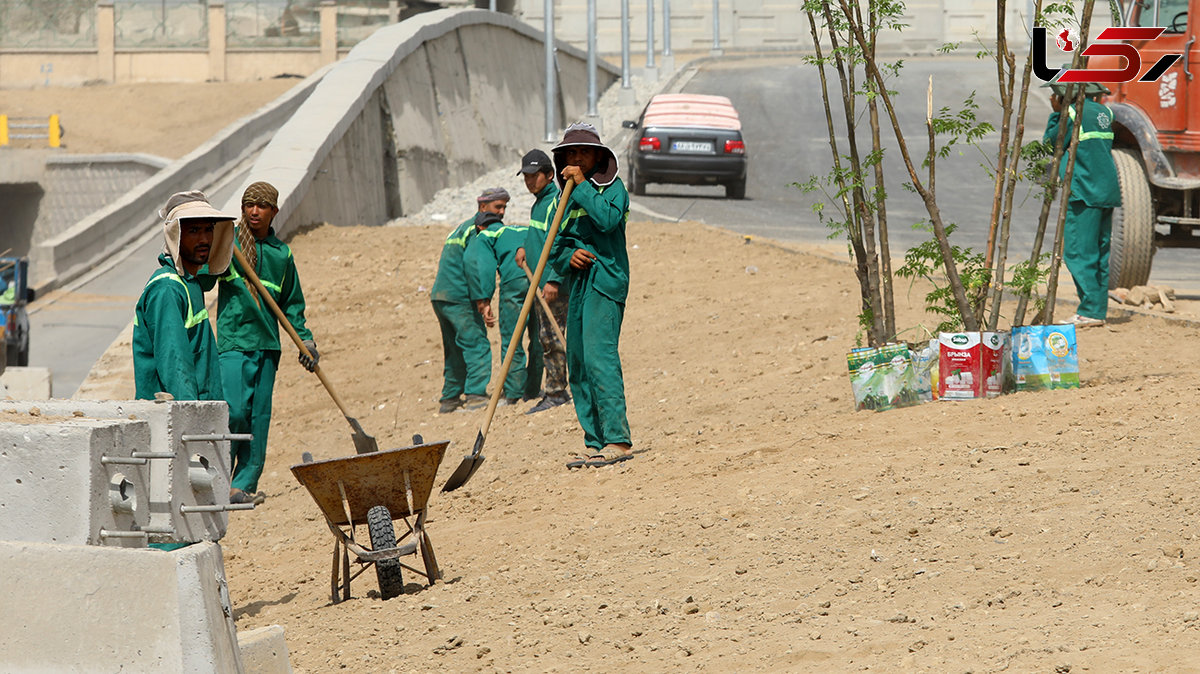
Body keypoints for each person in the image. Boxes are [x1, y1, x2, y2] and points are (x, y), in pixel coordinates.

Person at [217, 181, 318, 506]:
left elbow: (292, 304)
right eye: (249, 205)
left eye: (262, 206)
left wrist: (305, 340)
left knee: (259, 416)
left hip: (267, 346)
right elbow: (204, 271)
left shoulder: (281, 254)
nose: (254, 212)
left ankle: (242, 484)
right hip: (234, 341)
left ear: (274, 211)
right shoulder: (229, 244)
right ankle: (219, 479)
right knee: (233, 411)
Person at [546, 123, 634, 468]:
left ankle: (618, 440)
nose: (576, 158)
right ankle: (595, 441)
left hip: (606, 281)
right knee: (578, 363)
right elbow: (556, 244)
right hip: (579, 285)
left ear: (598, 155)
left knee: (600, 358)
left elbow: (607, 221)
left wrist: (581, 186)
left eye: (583, 152)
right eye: (570, 153)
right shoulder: (563, 197)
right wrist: (568, 256)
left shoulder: (612, 189)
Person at [133, 190, 235, 403]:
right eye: (194, 231)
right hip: (179, 419)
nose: (204, 239)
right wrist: (190, 419)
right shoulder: (167, 289)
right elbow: (175, 365)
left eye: (209, 230)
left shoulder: (190, 283)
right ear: (175, 235)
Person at [1042, 81, 1122, 328]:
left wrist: (1057, 114)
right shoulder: (1105, 113)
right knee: (1099, 252)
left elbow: (1051, 143)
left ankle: (1090, 311)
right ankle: (1097, 310)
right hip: (1106, 191)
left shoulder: (1071, 114)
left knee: (1078, 252)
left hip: (1084, 191)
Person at [430, 188, 508, 414]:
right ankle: (475, 396)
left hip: (441, 296)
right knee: (477, 345)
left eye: (504, 207)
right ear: (483, 207)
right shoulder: (477, 229)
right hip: (459, 297)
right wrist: (483, 301)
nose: (502, 212)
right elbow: (475, 265)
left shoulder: (459, 228)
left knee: (454, 348)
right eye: (497, 207)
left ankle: (450, 399)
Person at [465, 192, 543, 406]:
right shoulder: (521, 229)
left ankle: (514, 392)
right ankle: (534, 389)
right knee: (539, 338)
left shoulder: (486, 235)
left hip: (515, 281)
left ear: (480, 226)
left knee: (512, 339)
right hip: (541, 277)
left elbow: (485, 268)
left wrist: (484, 300)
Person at [514, 149, 570, 414]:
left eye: (534, 176)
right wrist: (525, 247)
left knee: (552, 339)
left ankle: (557, 391)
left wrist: (554, 281)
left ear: (549, 175)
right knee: (545, 338)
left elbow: (560, 241)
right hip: (538, 282)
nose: (529, 181)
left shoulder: (555, 201)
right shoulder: (539, 203)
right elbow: (538, 236)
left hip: (551, 286)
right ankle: (554, 389)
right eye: (526, 176)